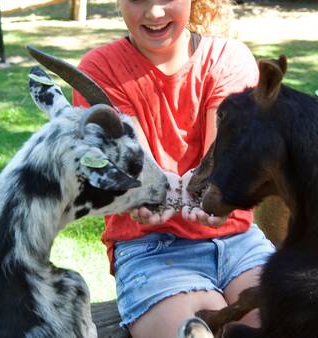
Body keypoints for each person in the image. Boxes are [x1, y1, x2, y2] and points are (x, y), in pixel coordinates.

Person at [73, 0, 276, 337]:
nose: (154, 12)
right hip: (151, 250)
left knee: (285, 320)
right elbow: (136, 167)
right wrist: (141, 195)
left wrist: (216, 196)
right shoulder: (100, 69)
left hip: (239, 242)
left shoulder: (229, 59)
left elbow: (219, 163)